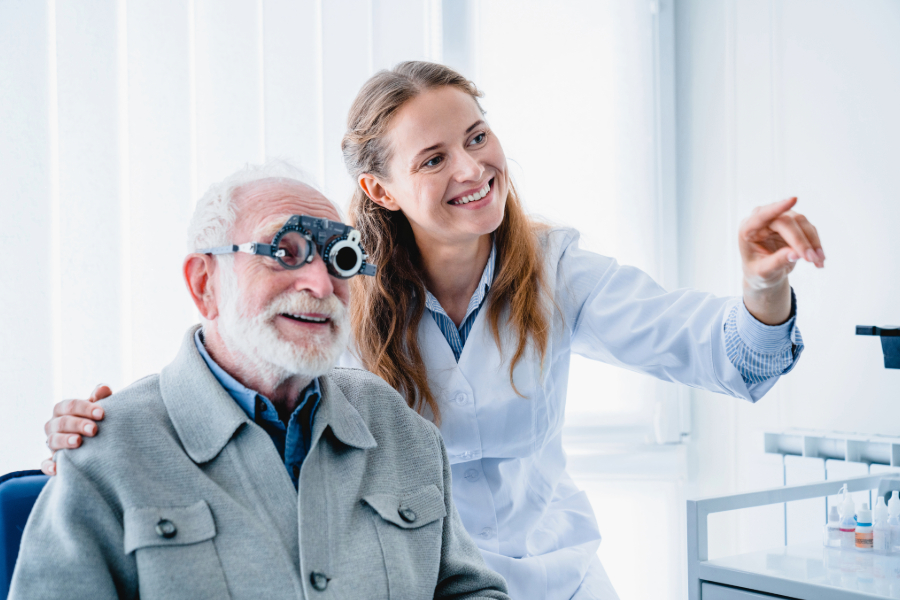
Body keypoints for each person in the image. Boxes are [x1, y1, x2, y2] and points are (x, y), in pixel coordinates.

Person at [43, 62, 824, 599]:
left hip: (557, 579)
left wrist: (763, 286)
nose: (472, 169)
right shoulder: (339, 293)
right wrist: (103, 432)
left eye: (478, 137)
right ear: (378, 187)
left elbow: (726, 356)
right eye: (435, 157)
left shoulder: (556, 269)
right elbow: (244, 361)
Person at [13, 163, 510, 600]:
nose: (319, 284)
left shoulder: (403, 430)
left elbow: (471, 591)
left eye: (338, 256)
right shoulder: (106, 452)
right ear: (205, 283)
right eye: (283, 251)